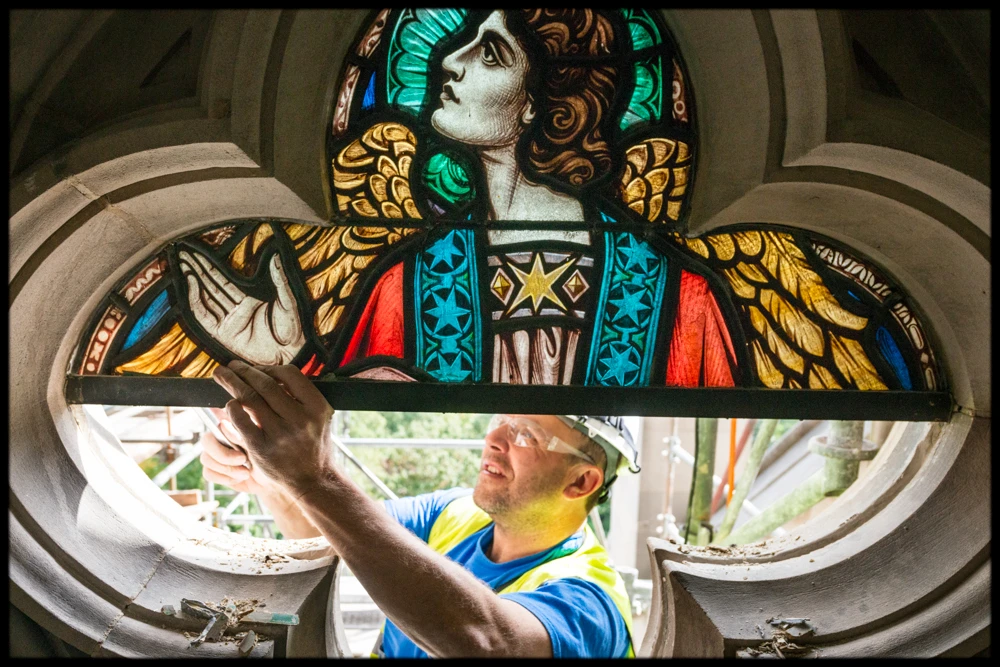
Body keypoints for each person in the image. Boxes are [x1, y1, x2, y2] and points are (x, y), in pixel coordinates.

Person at [201, 359, 641, 658]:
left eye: (525, 433)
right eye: (500, 420)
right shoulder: (455, 512)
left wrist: (314, 479)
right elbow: (331, 534)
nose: (495, 439)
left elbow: (488, 643)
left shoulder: (592, 599)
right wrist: (268, 471)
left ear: (582, 481)